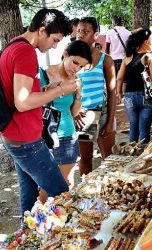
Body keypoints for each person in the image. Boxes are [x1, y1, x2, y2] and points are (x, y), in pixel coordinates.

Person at [0, 9, 75, 215]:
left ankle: (27, 238)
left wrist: (44, 91)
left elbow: (18, 94)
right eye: (55, 40)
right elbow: (23, 102)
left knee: (28, 195)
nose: (55, 45)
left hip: (16, 136)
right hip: (25, 139)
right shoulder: (25, 52)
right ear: (42, 31)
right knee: (62, 194)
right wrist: (61, 90)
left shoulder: (14, 45)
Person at [38, 40, 92, 202]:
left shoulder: (76, 81)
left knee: (67, 183)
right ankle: (44, 218)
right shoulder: (43, 74)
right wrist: (53, 90)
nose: (76, 68)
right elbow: (34, 103)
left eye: (81, 66)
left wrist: (79, 94)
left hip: (67, 134)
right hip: (45, 136)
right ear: (65, 54)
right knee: (46, 186)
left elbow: (73, 112)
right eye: (75, 62)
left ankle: (63, 220)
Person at [75, 17, 116, 176]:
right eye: (78, 30)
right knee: (85, 159)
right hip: (82, 116)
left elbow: (112, 93)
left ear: (96, 34)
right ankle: (85, 193)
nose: (80, 35)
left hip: (103, 113)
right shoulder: (71, 59)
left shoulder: (105, 60)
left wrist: (110, 122)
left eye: (86, 31)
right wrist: (74, 111)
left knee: (109, 160)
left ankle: (111, 194)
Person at [116, 29, 152, 143]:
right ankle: (142, 156)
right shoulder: (149, 57)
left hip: (129, 96)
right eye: (151, 40)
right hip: (146, 96)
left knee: (133, 127)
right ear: (146, 42)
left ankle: (131, 154)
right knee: (144, 129)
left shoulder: (127, 58)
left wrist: (119, 93)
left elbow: (119, 77)